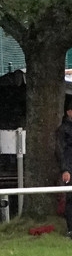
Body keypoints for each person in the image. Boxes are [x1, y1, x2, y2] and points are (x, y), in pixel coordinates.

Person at [55, 101, 72, 238]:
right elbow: (60, 150)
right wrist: (65, 170)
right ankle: (71, 228)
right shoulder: (63, 129)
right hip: (70, 168)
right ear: (69, 112)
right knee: (70, 198)